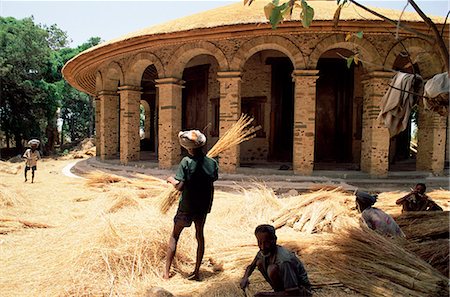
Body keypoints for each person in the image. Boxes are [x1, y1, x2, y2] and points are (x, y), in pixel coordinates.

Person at [163, 130, 218, 281]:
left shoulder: (186, 162)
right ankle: (197, 272)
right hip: (203, 206)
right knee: (199, 236)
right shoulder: (212, 163)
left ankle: (166, 274)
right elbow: (212, 179)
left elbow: (180, 186)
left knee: (175, 235)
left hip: (187, 206)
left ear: (188, 148)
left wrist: (170, 180)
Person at [240, 224, 312, 297]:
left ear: (274, 240)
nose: (262, 247)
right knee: (260, 262)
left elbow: (293, 293)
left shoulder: (284, 261)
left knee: (272, 269)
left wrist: (265, 295)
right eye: (259, 242)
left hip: (300, 292)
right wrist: (245, 277)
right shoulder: (264, 251)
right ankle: (278, 292)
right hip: (287, 290)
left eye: (266, 243)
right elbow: (252, 266)